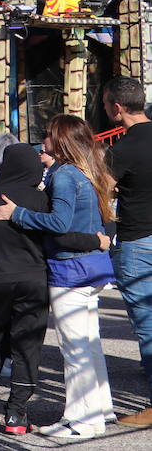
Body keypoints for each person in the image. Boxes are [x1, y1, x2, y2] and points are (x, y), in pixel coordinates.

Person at [0, 115, 117, 437]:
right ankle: (99, 410)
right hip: (91, 267)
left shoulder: (65, 176)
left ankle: (82, 420)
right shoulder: (86, 173)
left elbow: (59, 224)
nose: (41, 141)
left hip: (69, 271)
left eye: (46, 136)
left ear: (59, 141)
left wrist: (16, 212)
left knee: (74, 349)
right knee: (90, 344)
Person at [102, 76, 152, 428]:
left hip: (138, 241)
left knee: (149, 326)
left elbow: (103, 194)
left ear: (117, 108)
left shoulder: (122, 150)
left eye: (105, 105)